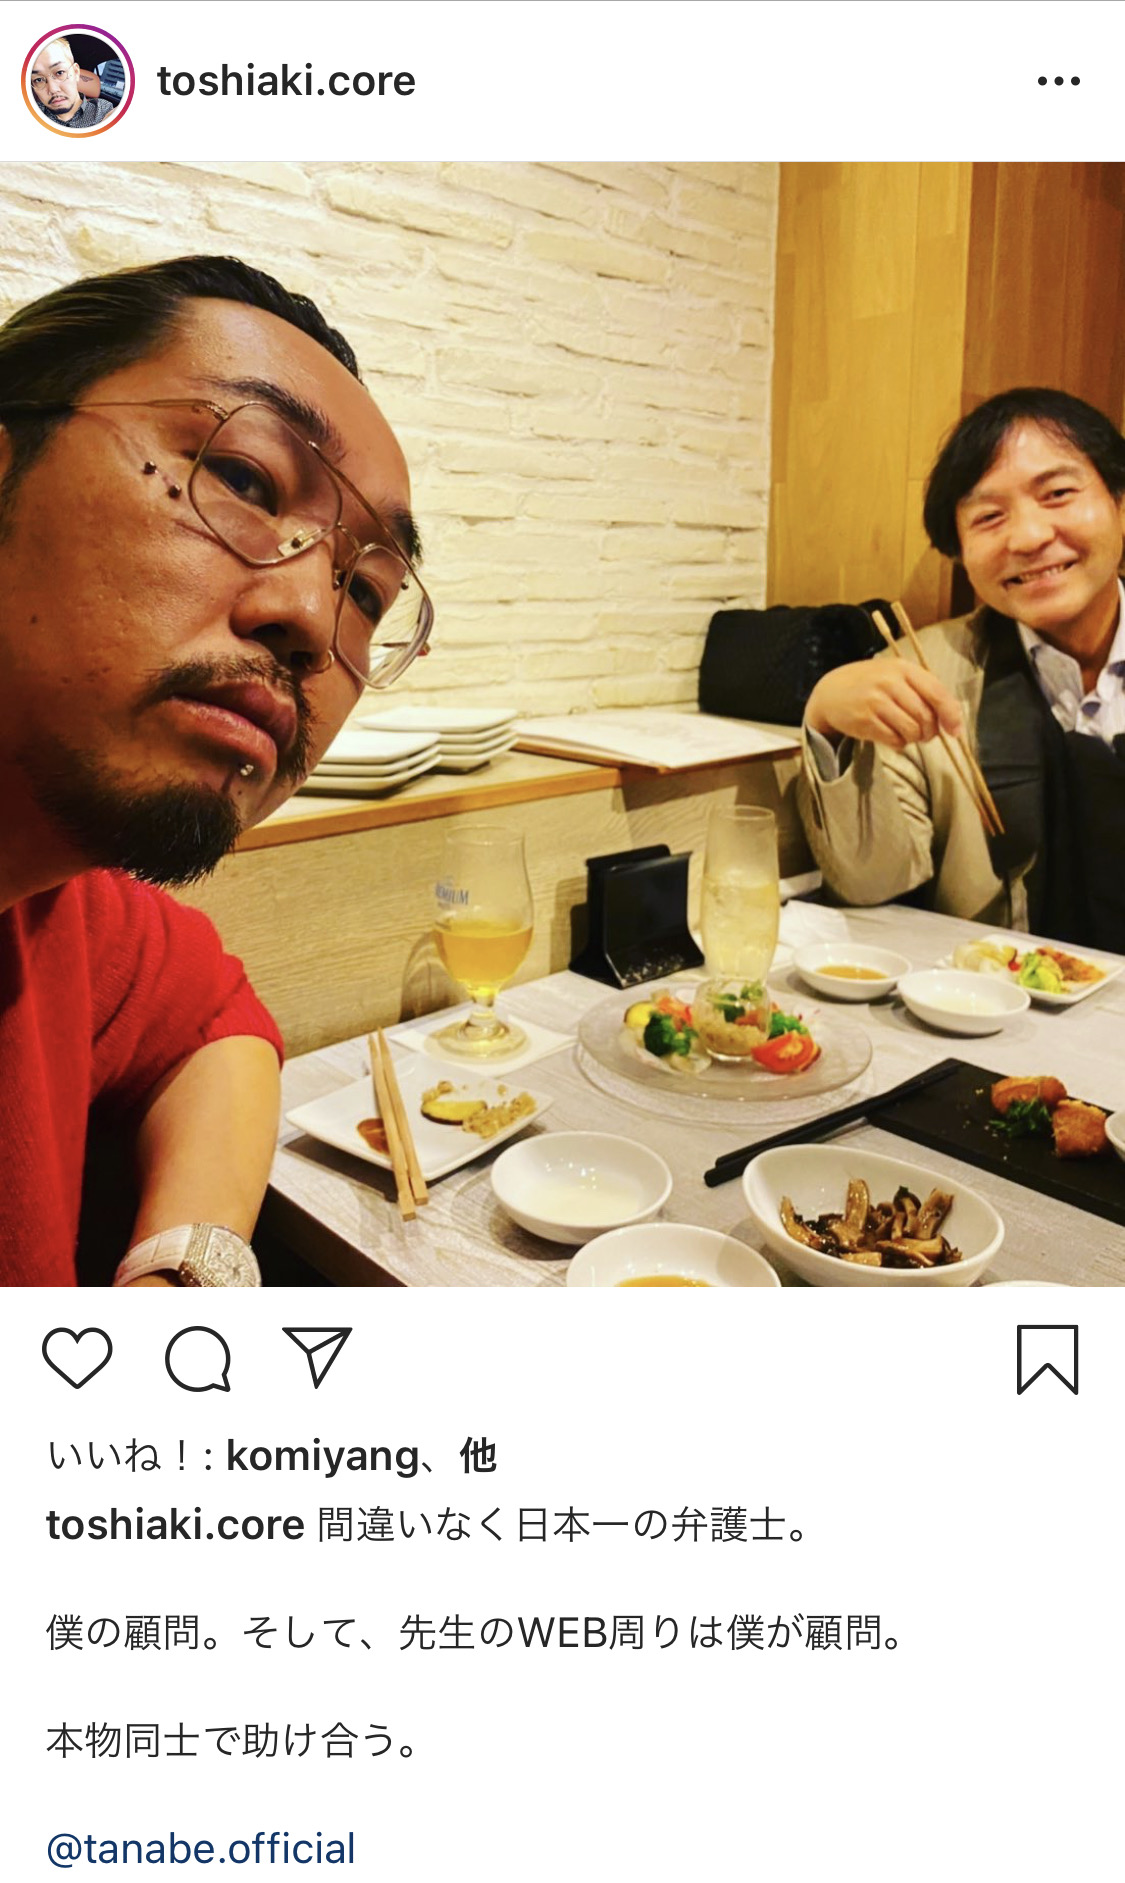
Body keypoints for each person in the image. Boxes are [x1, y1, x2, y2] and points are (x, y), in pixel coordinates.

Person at [0, 255, 432, 1286]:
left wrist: (187, 1279)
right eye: (243, 479)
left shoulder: (58, 903)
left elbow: (216, 1020)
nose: (313, 619)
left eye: (366, 591)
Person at [798, 387, 1125, 950]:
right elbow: (872, 886)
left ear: (1119, 501)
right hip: (997, 997)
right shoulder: (920, 677)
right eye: (989, 517)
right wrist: (826, 718)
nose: (1029, 537)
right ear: (960, 552)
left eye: (1058, 494)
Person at [30, 38, 117, 128]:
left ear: (76, 72)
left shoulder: (103, 111)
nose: (53, 89)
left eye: (60, 72)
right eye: (38, 80)